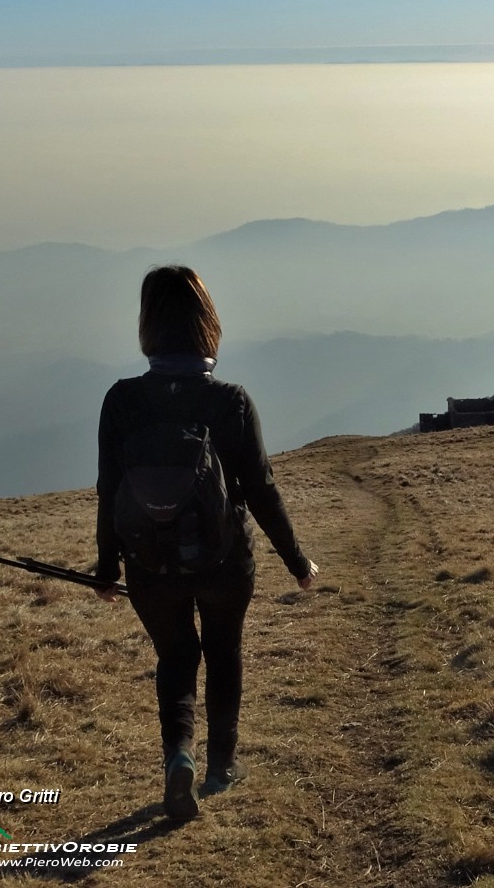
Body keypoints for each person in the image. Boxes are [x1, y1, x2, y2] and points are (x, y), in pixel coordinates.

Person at [94, 264, 318, 822]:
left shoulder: (121, 401)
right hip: (224, 560)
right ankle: (221, 767)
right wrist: (297, 561)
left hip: (149, 564)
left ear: (147, 324)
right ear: (206, 323)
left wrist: (106, 566)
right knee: (223, 654)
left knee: (175, 658)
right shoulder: (231, 401)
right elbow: (262, 489)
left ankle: (179, 756)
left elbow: (108, 489)